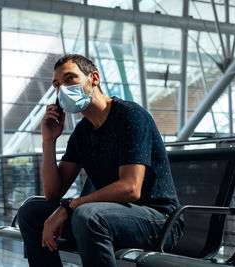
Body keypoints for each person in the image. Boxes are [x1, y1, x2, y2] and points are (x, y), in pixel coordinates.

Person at [17, 54, 184, 267]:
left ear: (93, 78)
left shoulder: (130, 116)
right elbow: (53, 192)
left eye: (70, 79)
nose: (62, 89)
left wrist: (70, 207)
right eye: (57, 85)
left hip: (160, 220)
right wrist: (48, 140)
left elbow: (130, 189)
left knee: (86, 216)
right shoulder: (83, 132)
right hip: (111, 215)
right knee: (31, 213)